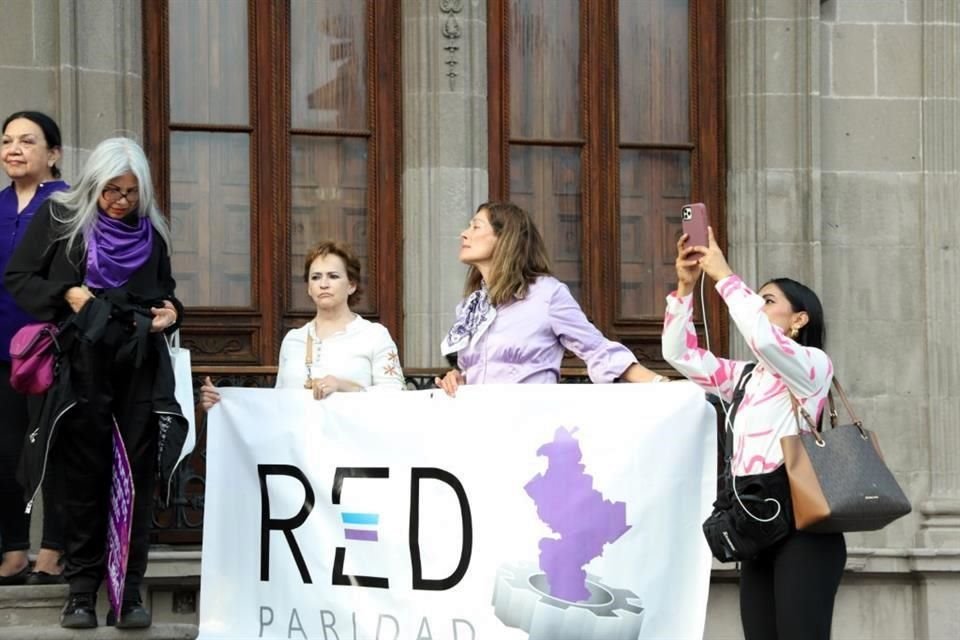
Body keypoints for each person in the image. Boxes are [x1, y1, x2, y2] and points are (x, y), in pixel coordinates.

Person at [4, 137, 191, 629]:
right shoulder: (61, 218)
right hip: (80, 362)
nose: (121, 202)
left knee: (136, 477)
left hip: (140, 364)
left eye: (130, 193)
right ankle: (81, 593)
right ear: (93, 184)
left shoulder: (151, 232)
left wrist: (173, 314)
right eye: (112, 191)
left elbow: (166, 294)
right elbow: (19, 277)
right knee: (81, 477)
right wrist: (68, 293)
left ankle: (129, 594)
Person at [661, 228, 844, 640]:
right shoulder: (745, 376)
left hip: (804, 532)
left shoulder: (812, 366)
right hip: (756, 527)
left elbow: (762, 338)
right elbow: (680, 354)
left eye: (768, 300)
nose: (758, 307)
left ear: (799, 319)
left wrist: (724, 275)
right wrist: (686, 288)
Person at [435, 201, 664, 396]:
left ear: (505, 238)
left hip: (530, 428)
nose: (464, 233)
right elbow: (473, 370)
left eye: (476, 226)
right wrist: (457, 378)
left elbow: (598, 351)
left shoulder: (547, 294)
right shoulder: (469, 307)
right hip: (481, 430)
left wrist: (662, 386)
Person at [200, 240, 404, 410]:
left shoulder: (374, 335)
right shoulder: (293, 339)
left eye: (333, 276)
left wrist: (342, 386)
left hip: (353, 452)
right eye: (316, 277)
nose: (323, 284)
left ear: (351, 285)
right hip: (300, 453)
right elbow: (277, 405)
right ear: (308, 288)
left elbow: (396, 398)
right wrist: (223, 404)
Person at [0, 111, 68, 586]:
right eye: (6, 141)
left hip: (51, 350)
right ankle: (12, 550)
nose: (14, 149)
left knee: (55, 451)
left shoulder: (68, 207)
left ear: (53, 153)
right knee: (5, 453)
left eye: (27, 141)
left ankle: (54, 550)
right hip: (0, 352)